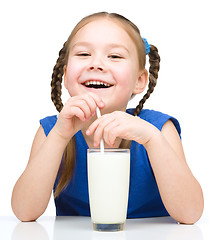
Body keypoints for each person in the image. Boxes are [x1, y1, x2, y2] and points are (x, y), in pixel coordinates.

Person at [11, 12, 204, 224]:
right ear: (65, 76)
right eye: (84, 54)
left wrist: (152, 140)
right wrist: (58, 136)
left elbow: (190, 214)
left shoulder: (158, 129)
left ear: (140, 80)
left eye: (114, 56)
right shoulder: (52, 131)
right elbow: (24, 212)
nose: (96, 64)